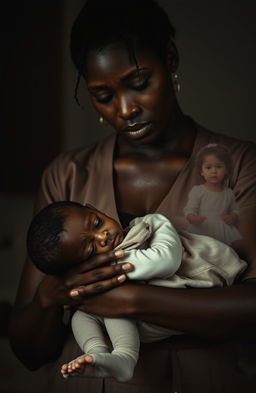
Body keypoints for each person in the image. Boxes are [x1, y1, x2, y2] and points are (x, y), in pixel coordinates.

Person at [8, 0, 256, 392]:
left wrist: (130, 300)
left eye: (139, 83)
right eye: (103, 95)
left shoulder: (241, 165)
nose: (125, 109)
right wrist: (49, 298)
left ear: (170, 59)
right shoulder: (68, 175)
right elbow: (28, 350)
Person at [26, 201, 245, 382]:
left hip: (203, 281)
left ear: (93, 208)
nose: (103, 237)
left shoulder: (147, 225)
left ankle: (123, 354)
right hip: (155, 318)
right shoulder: (96, 277)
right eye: (91, 248)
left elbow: (166, 261)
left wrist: (110, 271)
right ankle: (103, 354)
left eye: (97, 223)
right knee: (81, 317)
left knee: (109, 303)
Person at [184, 143, 242, 246]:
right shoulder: (198, 191)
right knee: (201, 247)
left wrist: (233, 216)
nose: (214, 171)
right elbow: (190, 209)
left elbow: (235, 209)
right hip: (203, 226)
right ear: (202, 171)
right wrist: (192, 217)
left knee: (225, 249)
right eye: (208, 167)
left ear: (226, 170)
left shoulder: (228, 193)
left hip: (222, 229)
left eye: (219, 167)